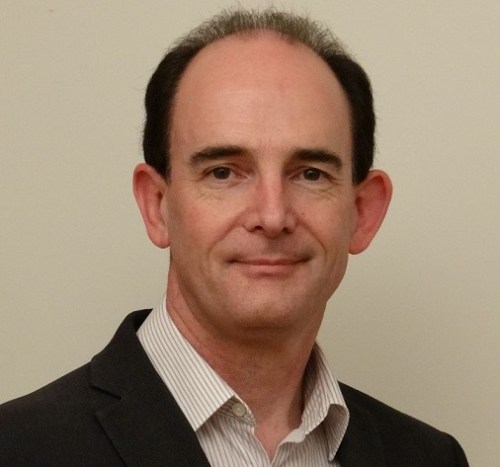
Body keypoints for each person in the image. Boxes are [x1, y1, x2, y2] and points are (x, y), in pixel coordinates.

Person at [0, 8, 468, 466]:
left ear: (362, 213)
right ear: (157, 205)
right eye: (223, 172)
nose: (272, 215)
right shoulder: (18, 448)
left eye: (310, 173)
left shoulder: (429, 458)